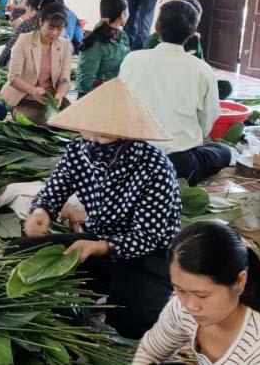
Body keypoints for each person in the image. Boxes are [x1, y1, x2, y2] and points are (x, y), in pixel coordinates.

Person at [21, 79, 181, 339]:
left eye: (102, 135)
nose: (93, 140)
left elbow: (150, 235)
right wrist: (41, 212)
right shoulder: (80, 150)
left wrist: (101, 247)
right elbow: (55, 189)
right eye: (88, 132)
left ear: (126, 133)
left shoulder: (155, 166)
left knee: (134, 323)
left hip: (146, 254)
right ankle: (101, 285)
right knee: (18, 252)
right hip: (96, 241)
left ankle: (120, 291)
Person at [135, 221, 260, 364]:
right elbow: (150, 351)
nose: (190, 305)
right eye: (180, 290)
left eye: (202, 295)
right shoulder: (183, 308)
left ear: (239, 282)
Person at [119, 0, 231, 185]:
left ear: (157, 27)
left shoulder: (132, 59)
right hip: (176, 164)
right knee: (224, 152)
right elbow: (208, 119)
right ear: (193, 32)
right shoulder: (201, 69)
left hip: (130, 157)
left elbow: (120, 102)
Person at [144, 0, 232, 100]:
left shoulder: (194, 40)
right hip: (166, 83)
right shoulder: (154, 41)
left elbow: (202, 64)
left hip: (190, 82)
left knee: (225, 86)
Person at [0, 2, 72, 126]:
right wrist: (33, 91)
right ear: (40, 22)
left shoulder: (64, 45)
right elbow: (13, 78)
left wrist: (60, 93)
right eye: (50, 27)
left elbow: (64, 78)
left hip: (50, 99)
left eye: (59, 29)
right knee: (40, 121)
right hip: (24, 98)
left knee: (73, 119)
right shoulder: (24, 40)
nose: (54, 33)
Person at [76, 0, 130, 97]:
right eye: (128, 11)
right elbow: (86, 81)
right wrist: (112, 88)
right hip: (93, 97)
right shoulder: (96, 41)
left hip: (114, 93)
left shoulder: (122, 36)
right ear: (123, 14)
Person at [0, 0, 49, 68]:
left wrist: (0, 62)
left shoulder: (27, 25)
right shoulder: (50, 24)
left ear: (30, 7)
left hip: (28, 67)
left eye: (26, 7)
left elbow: (11, 46)